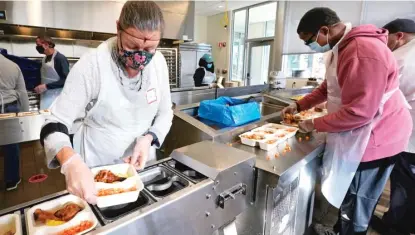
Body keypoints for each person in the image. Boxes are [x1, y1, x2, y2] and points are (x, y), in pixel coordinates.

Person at [282, 8, 412, 235]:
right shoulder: (341, 47)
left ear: (324, 30)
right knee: (349, 194)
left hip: (377, 138)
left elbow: (360, 113)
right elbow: (327, 87)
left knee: (358, 201)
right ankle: (341, 229)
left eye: (310, 41)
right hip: (361, 132)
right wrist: (300, 105)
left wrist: (313, 124)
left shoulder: (362, 51)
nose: (311, 47)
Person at [39, 1, 173, 204]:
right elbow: (54, 121)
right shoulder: (93, 65)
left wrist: (149, 139)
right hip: (97, 165)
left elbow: (165, 113)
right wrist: (70, 161)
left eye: (149, 49)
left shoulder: (159, 64)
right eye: (132, 46)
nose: (139, 58)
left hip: (142, 165)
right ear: (118, 28)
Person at [371, 18, 415, 235]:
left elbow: (376, 97)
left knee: (403, 185)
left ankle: (395, 228)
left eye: (385, 38)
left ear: (399, 36)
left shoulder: (400, 58)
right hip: (408, 132)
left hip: (407, 137)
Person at [0, 54, 30, 190]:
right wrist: (25, 112)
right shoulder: (12, 66)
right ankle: (11, 180)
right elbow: (22, 92)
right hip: (9, 107)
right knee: (11, 144)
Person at [34, 35, 70, 110]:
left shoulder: (60, 58)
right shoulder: (44, 59)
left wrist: (46, 86)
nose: (37, 47)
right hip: (45, 95)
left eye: (38, 45)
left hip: (57, 97)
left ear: (46, 45)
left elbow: (66, 80)